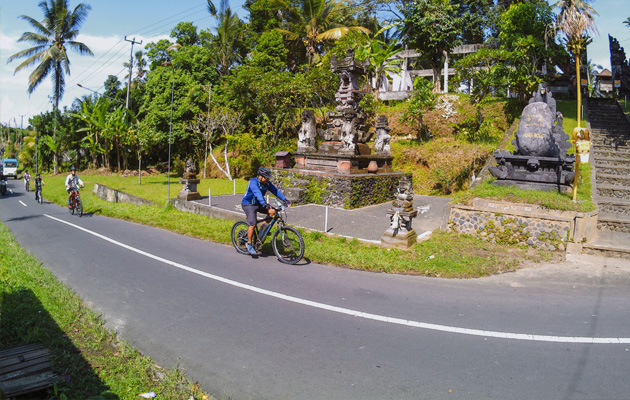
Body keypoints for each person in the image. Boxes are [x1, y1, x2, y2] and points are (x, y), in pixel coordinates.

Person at [241, 167, 290, 256]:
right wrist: (264, 203)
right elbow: (257, 193)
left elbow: (275, 191)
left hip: (259, 203)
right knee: (253, 223)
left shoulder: (266, 183)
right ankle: (249, 244)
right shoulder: (253, 182)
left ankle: (263, 230)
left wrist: (285, 200)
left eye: (268, 178)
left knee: (272, 212)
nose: (267, 180)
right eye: (266, 178)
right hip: (248, 204)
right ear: (260, 176)